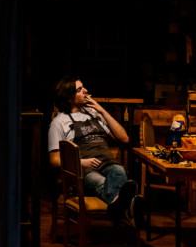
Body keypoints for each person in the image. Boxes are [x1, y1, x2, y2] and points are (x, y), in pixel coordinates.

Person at [47, 75, 145, 226]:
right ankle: (130, 207)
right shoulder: (59, 122)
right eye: (80, 89)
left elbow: (124, 138)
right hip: (84, 169)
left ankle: (120, 208)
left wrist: (101, 110)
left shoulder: (94, 114)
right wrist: (81, 161)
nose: (86, 91)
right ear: (68, 97)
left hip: (107, 163)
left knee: (119, 170)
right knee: (102, 182)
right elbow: (54, 160)